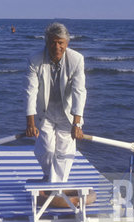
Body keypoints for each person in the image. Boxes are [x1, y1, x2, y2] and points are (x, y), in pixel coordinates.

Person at [24, 22, 87, 182]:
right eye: (53, 42)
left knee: (64, 151)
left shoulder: (76, 59)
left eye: (61, 43)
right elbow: (30, 90)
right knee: (45, 149)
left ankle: (55, 187)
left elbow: (79, 91)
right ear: (46, 42)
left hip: (67, 113)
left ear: (67, 43)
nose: (57, 46)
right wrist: (30, 122)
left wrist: (77, 124)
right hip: (46, 112)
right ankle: (51, 178)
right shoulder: (34, 59)